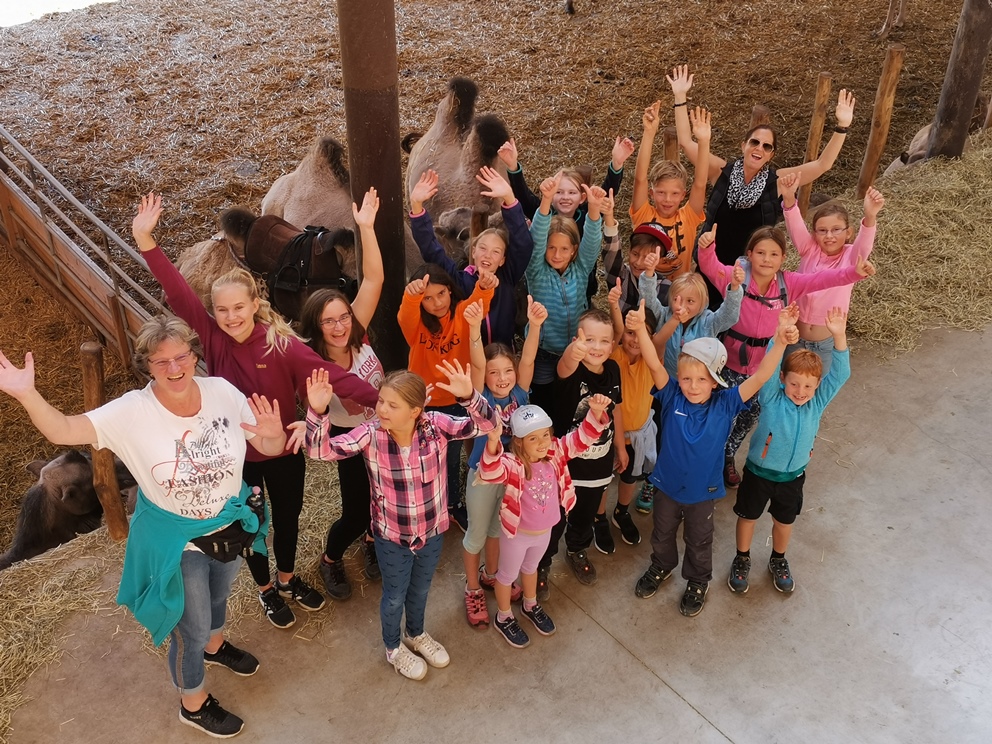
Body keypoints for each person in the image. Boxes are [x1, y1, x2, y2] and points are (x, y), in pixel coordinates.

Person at [0, 316, 287, 738]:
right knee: (189, 626)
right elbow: (63, 429)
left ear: (194, 355)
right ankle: (194, 704)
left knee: (220, 595)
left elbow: (266, 445)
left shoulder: (222, 392)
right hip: (177, 539)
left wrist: (274, 436)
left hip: (229, 525)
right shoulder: (131, 411)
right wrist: (27, 394)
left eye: (181, 356)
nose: (174, 368)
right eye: (161, 361)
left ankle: (216, 646)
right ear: (146, 366)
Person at [133, 193, 380, 630]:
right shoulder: (212, 339)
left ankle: (288, 579)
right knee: (252, 525)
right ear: (215, 313)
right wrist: (146, 241)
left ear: (254, 304)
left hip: (284, 451)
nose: (230, 317)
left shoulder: (279, 344)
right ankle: (266, 589)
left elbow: (330, 374)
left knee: (288, 519)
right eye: (222, 310)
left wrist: (388, 401)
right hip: (235, 458)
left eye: (238, 308)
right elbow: (178, 293)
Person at [303, 361, 498, 680]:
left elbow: (488, 424)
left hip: (432, 532)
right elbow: (320, 452)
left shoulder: (436, 425)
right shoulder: (370, 434)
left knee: (420, 592)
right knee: (394, 597)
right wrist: (317, 411)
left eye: (392, 405)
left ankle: (416, 633)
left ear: (415, 410)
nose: (382, 409)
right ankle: (393, 647)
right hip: (391, 537)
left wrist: (469, 397)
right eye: (381, 401)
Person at [626, 300, 799, 617]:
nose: (693, 386)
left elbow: (760, 377)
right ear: (678, 376)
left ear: (715, 380)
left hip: (702, 494)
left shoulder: (727, 403)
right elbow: (653, 364)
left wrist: (780, 340)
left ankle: (696, 581)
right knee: (661, 534)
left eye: (702, 379)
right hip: (666, 488)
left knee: (699, 540)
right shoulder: (671, 394)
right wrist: (638, 328)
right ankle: (661, 566)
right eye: (687, 378)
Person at [697, 223, 875, 488]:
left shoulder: (790, 283)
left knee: (748, 418)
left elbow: (825, 279)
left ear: (783, 258)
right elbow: (710, 267)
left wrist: (855, 273)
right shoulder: (736, 275)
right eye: (760, 253)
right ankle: (706, 461)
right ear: (749, 253)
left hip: (764, 372)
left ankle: (727, 456)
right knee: (719, 416)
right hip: (729, 365)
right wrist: (706, 246)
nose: (766, 259)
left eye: (773, 254)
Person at [667, 64, 856, 308]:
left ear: (771, 154)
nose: (759, 148)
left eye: (767, 147)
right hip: (711, 269)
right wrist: (680, 97)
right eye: (754, 142)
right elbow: (685, 141)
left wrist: (842, 127)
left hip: (750, 276)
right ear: (743, 145)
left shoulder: (776, 182)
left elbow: (822, 165)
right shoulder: (720, 171)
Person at [295, 188, 385, 601]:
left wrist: (365, 227)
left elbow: (374, 278)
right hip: (350, 442)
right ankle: (331, 559)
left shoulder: (359, 334)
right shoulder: (315, 365)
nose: (339, 326)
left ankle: (371, 544)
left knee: (383, 497)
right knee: (356, 509)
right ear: (316, 326)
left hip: (385, 431)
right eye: (329, 321)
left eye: (343, 316)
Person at [729, 308, 852, 595]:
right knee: (748, 517)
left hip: (793, 477)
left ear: (817, 386)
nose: (800, 390)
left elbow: (841, 373)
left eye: (808, 385)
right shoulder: (771, 396)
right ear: (783, 378)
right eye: (794, 383)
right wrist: (779, 338)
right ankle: (742, 558)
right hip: (759, 473)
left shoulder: (817, 402)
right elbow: (766, 370)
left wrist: (839, 336)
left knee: (784, 522)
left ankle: (778, 559)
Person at [478, 397, 612, 648]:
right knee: (506, 576)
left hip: (544, 531)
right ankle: (504, 616)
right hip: (517, 534)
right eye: (533, 438)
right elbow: (488, 472)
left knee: (531, 569)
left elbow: (582, 439)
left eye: (545, 435)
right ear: (519, 442)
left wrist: (594, 413)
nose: (542, 443)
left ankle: (530, 605)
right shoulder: (513, 463)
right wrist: (493, 441)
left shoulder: (556, 452)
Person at [459, 296, 547, 628]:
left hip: (512, 479)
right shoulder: (480, 398)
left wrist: (535, 326)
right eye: (494, 372)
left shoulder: (520, 394)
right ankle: (472, 588)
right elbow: (478, 364)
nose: (501, 377)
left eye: (506, 370)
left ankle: (493, 575)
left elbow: (528, 360)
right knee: (477, 535)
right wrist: (473, 328)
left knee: (498, 530)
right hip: (483, 476)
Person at [398, 264, 497, 532]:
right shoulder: (416, 323)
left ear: (450, 291)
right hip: (423, 403)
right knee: (421, 457)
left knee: (451, 458)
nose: (436, 303)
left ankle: (451, 506)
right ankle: (426, 505)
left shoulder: (463, 313)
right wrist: (411, 296)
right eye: (427, 298)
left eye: (441, 293)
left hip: (456, 402)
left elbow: (481, 302)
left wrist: (485, 285)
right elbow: (405, 313)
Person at [540, 308, 623, 596]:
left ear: (612, 345)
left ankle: (577, 550)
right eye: (589, 340)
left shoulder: (613, 370)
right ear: (577, 339)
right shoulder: (572, 369)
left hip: (598, 468)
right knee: (554, 522)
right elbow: (565, 364)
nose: (596, 347)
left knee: (585, 516)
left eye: (604, 341)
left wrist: (621, 446)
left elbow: (617, 410)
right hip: (564, 468)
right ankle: (543, 563)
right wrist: (575, 351)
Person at [408, 166, 534, 347]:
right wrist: (417, 206)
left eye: (496, 252)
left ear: (503, 260)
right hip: (468, 356)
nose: (488, 255)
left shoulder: (507, 276)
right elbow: (431, 250)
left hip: (502, 356)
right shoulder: (458, 281)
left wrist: (509, 198)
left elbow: (524, 244)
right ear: (473, 252)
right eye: (482, 248)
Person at [779, 173, 884, 374]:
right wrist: (789, 198)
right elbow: (795, 225)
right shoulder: (809, 249)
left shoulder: (850, 258)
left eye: (836, 229)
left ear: (849, 232)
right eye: (822, 230)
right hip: (794, 337)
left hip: (825, 345)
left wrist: (870, 216)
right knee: (787, 384)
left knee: (816, 392)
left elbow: (864, 248)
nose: (829, 236)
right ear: (814, 234)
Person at [524, 172, 606, 413]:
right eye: (551, 248)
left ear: (574, 251)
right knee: (543, 404)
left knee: (571, 404)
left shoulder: (581, 269)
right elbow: (536, 238)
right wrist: (546, 200)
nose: (557, 254)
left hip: (576, 351)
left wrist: (593, 209)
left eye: (564, 249)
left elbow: (592, 242)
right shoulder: (536, 270)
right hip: (543, 354)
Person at [626, 102, 712, 302]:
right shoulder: (644, 215)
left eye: (674, 194)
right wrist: (649, 133)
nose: (667, 199)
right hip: (645, 288)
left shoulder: (688, 217)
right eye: (661, 192)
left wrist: (704, 142)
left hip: (679, 292)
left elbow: (700, 183)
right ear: (651, 193)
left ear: (683, 195)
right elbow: (640, 179)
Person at [605, 281, 659, 545]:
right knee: (603, 480)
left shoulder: (652, 361)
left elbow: (657, 340)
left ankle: (621, 511)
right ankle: (597, 518)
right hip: (608, 433)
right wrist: (614, 305)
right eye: (630, 333)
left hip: (638, 435)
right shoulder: (615, 356)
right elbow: (616, 330)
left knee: (630, 478)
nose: (635, 339)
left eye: (642, 334)